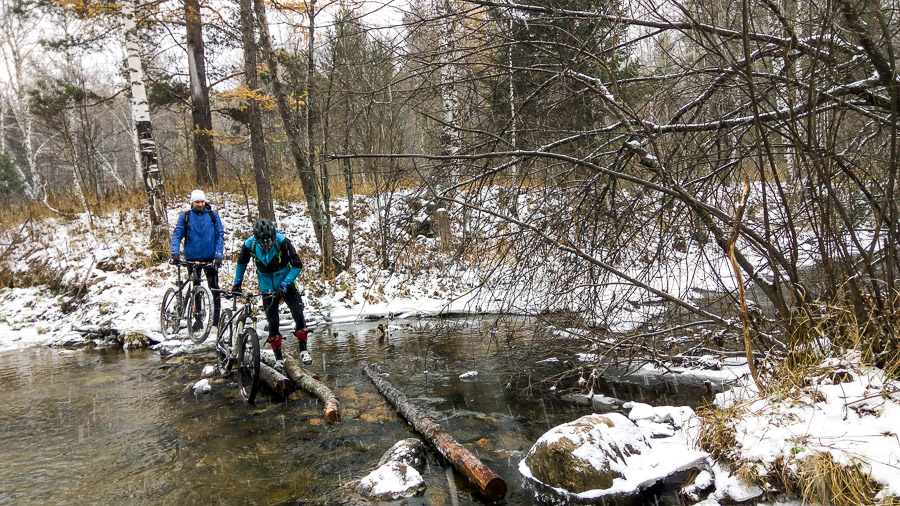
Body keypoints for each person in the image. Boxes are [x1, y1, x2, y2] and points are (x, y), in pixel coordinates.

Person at [230, 218, 312, 369]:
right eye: (264, 243)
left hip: (286, 284)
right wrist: (237, 284)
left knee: (298, 313)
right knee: (273, 321)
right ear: (257, 239)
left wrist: (285, 283)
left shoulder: (283, 242)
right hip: (266, 286)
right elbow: (241, 264)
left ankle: (304, 350)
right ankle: (278, 359)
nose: (267, 246)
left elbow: (297, 265)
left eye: (269, 242)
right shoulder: (250, 245)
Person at [170, 189, 225, 328]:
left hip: (210, 258)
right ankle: (197, 319)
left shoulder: (213, 216)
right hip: (192, 258)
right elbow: (177, 235)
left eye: (202, 201)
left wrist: (218, 255)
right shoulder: (186, 217)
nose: (200, 204)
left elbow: (219, 235)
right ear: (192, 202)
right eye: (197, 202)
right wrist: (175, 253)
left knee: (215, 288)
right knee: (195, 287)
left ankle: (216, 320)